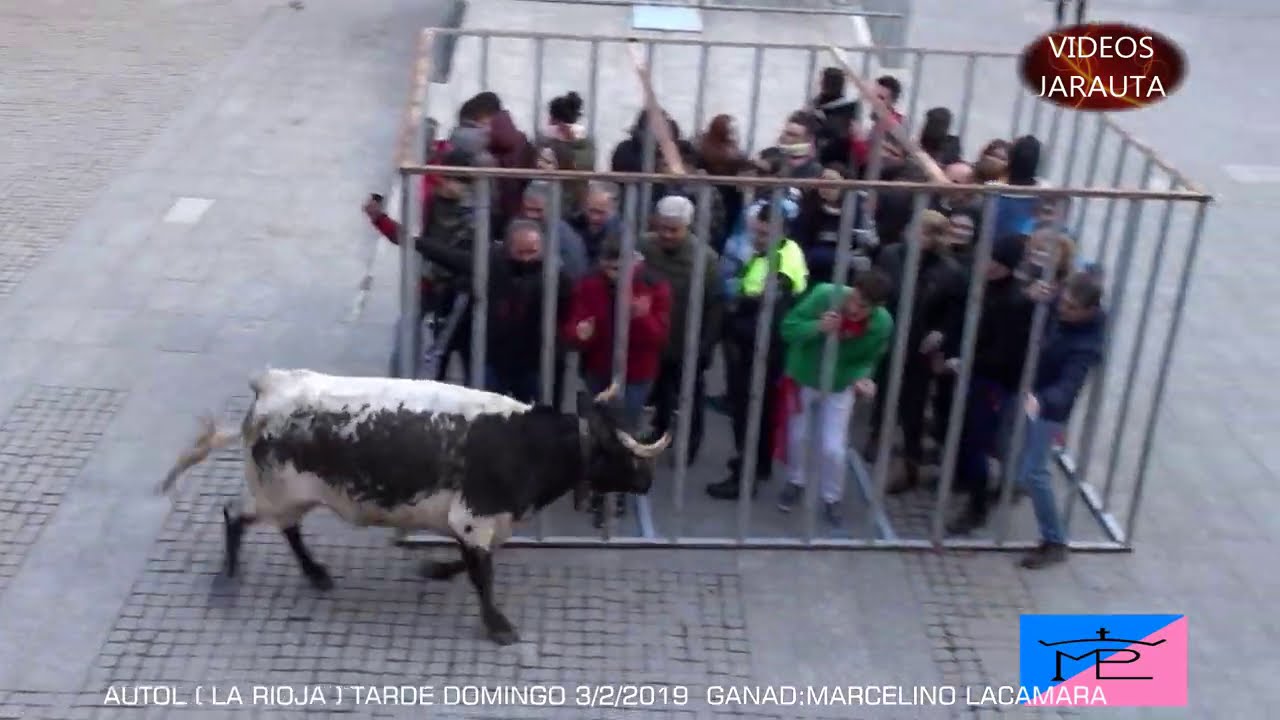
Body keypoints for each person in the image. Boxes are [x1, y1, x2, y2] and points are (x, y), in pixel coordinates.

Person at [563, 234, 672, 526]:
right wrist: (578, 333)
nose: (615, 275)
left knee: (625, 432)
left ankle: (618, 491)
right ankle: (600, 489)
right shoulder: (590, 284)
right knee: (599, 430)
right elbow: (574, 325)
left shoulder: (654, 285)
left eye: (621, 268)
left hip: (636, 373)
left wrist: (642, 318)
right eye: (610, 269)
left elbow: (661, 337)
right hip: (599, 368)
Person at [708, 201, 810, 500]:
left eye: (765, 234)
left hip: (758, 350)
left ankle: (744, 477)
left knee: (748, 414)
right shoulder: (784, 251)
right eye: (757, 233)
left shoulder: (780, 265)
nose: (758, 239)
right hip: (762, 347)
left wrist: (735, 313)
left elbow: (769, 312)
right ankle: (759, 465)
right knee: (761, 413)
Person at [775, 271, 892, 525]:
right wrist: (817, 327)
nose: (854, 309)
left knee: (833, 447)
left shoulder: (882, 323)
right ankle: (795, 480)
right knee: (798, 435)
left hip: (840, 384)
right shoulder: (824, 295)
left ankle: (832, 497)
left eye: (864, 306)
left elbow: (870, 358)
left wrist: (863, 378)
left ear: (877, 307)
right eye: (854, 299)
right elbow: (788, 328)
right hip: (804, 375)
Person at [937, 234, 1036, 535]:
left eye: (995, 262)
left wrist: (963, 362)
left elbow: (1005, 353)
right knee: (958, 432)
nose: (987, 265)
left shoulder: (1017, 301)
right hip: (968, 371)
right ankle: (964, 481)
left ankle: (977, 505)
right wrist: (948, 350)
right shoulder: (980, 284)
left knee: (976, 442)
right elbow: (959, 320)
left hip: (990, 381)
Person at [416, 219, 571, 403]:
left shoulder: (555, 277)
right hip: (493, 359)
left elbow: (571, 309)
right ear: (508, 249)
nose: (526, 259)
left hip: (534, 361)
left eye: (532, 252)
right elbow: (445, 255)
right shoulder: (491, 265)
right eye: (521, 252)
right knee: (484, 407)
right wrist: (404, 236)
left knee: (537, 411)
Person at [867, 210, 966, 494]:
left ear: (935, 238)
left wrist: (941, 333)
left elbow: (956, 309)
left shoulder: (949, 270)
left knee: (914, 403)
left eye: (923, 232)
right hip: (888, 334)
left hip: (921, 344)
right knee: (883, 388)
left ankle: (910, 462)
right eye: (914, 228)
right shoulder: (891, 255)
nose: (915, 235)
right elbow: (877, 288)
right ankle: (877, 434)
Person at [364, 147, 477, 380]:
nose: (444, 183)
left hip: (458, 289)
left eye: (451, 179)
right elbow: (414, 238)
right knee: (409, 336)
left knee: (445, 348)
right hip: (431, 282)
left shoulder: (475, 212)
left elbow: (422, 242)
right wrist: (380, 220)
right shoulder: (436, 201)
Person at [1017, 269, 1104, 568]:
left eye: (1070, 307)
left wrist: (1041, 401)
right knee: (1024, 459)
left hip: (1047, 409)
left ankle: (1054, 541)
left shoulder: (1086, 346)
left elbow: (1068, 388)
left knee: (1035, 472)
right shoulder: (1065, 309)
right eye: (1063, 301)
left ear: (1089, 311)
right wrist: (1033, 295)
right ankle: (1016, 484)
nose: (1062, 309)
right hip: (1035, 392)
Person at [638, 196, 724, 465]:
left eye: (673, 230)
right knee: (659, 390)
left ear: (687, 227)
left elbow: (716, 306)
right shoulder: (644, 246)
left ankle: (689, 445)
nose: (666, 234)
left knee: (690, 397)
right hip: (654, 338)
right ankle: (659, 430)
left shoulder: (705, 259)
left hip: (688, 341)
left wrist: (706, 346)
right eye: (662, 227)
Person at [512, 181, 590, 282]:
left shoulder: (567, 239)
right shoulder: (516, 227)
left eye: (538, 210)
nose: (531, 215)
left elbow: (575, 275)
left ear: (552, 209)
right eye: (528, 209)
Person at [535, 91, 596, 219]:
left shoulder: (582, 144)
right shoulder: (586, 144)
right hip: (558, 204)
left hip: (570, 207)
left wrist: (565, 145)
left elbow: (580, 171)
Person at [809, 67, 859, 167]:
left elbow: (841, 134)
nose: (819, 83)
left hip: (836, 159)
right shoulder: (816, 104)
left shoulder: (846, 109)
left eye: (821, 81)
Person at [569, 181, 623, 264]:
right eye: (591, 210)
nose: (594, 217)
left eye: (601, 212)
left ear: (613, 210)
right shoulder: (571, 225)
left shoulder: (621, 234)